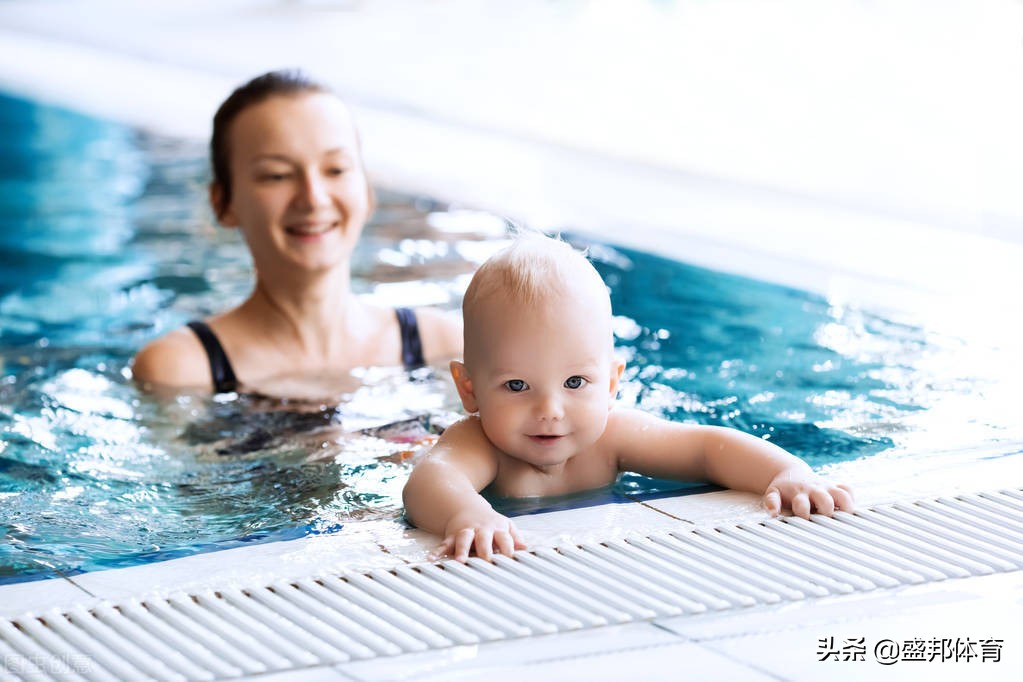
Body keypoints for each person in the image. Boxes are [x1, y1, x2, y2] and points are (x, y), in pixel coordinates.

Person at [402, 232, 854, 562]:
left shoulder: (612, 436)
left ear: (612, 383)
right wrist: (468, 514)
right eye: (517, 386)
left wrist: (787, 472)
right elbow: (428, 481)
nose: (550, 411)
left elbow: (706, 448)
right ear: (469, 389)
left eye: (575, 382)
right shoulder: (477, 444)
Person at [132, 70, 461, 394]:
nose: (313, 198)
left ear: (367, 190)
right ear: (223, 203)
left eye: (336, 169)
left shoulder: (443, 347)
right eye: (276, 175)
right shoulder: (182, 370)